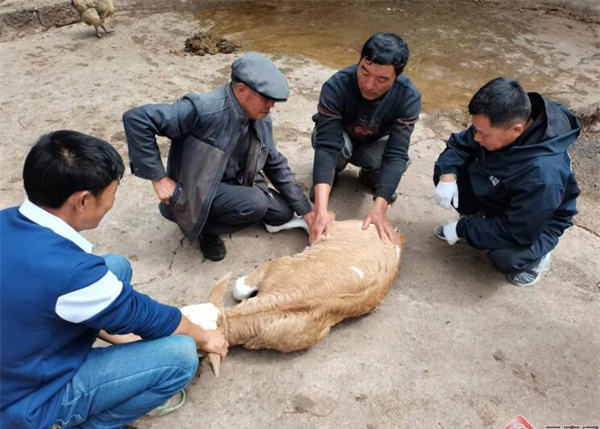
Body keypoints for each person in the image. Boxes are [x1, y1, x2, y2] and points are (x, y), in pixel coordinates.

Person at [0, 131, 229, 429]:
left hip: (13, 361)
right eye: (111, 192)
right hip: (26, 402)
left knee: (115, 267)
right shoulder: (73, 273)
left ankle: (108, 350)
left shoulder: (6, 220)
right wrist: (204, 337)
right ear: (82, 200)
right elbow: (150, 317)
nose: (112, 201)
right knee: (179, 356)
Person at [123, 52, 316, 261]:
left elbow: (275, 163)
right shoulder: (203, 109)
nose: (271, 106)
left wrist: (306, 211)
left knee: (282, 213)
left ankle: (232, 209)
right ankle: (206, 231)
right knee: (255, 204)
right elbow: (137, 119)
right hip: (197, 189)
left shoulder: (261, 118)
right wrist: (158, 178)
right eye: (266, 99)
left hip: (237, 183)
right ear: (241, 90)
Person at [433, 77, 580, 287]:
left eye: (483, 134)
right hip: (503, 191)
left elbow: (518, 230)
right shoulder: (499, 119)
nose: (477, 138)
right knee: (449, 176)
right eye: (476, 129)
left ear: (516, 130)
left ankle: (538, 255)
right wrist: (446, 176)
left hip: (537, 220)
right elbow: (459, 146)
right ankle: (481, 222)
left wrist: (463, 228)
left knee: (506, 258)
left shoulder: (543, 173)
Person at [310, 32, 421, 245]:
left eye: (382, 79)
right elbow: (326, 145)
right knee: (333, 145)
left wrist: (381, 206)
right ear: (359, 62)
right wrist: (320, 210)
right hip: (341, 141)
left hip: (372, 145)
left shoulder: (408, 96)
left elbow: (396, 153)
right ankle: (332, 175)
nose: (369, 85)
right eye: (364, 72)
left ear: (397, 76)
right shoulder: (336, 86)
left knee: (402, 158)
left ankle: (371, 176)